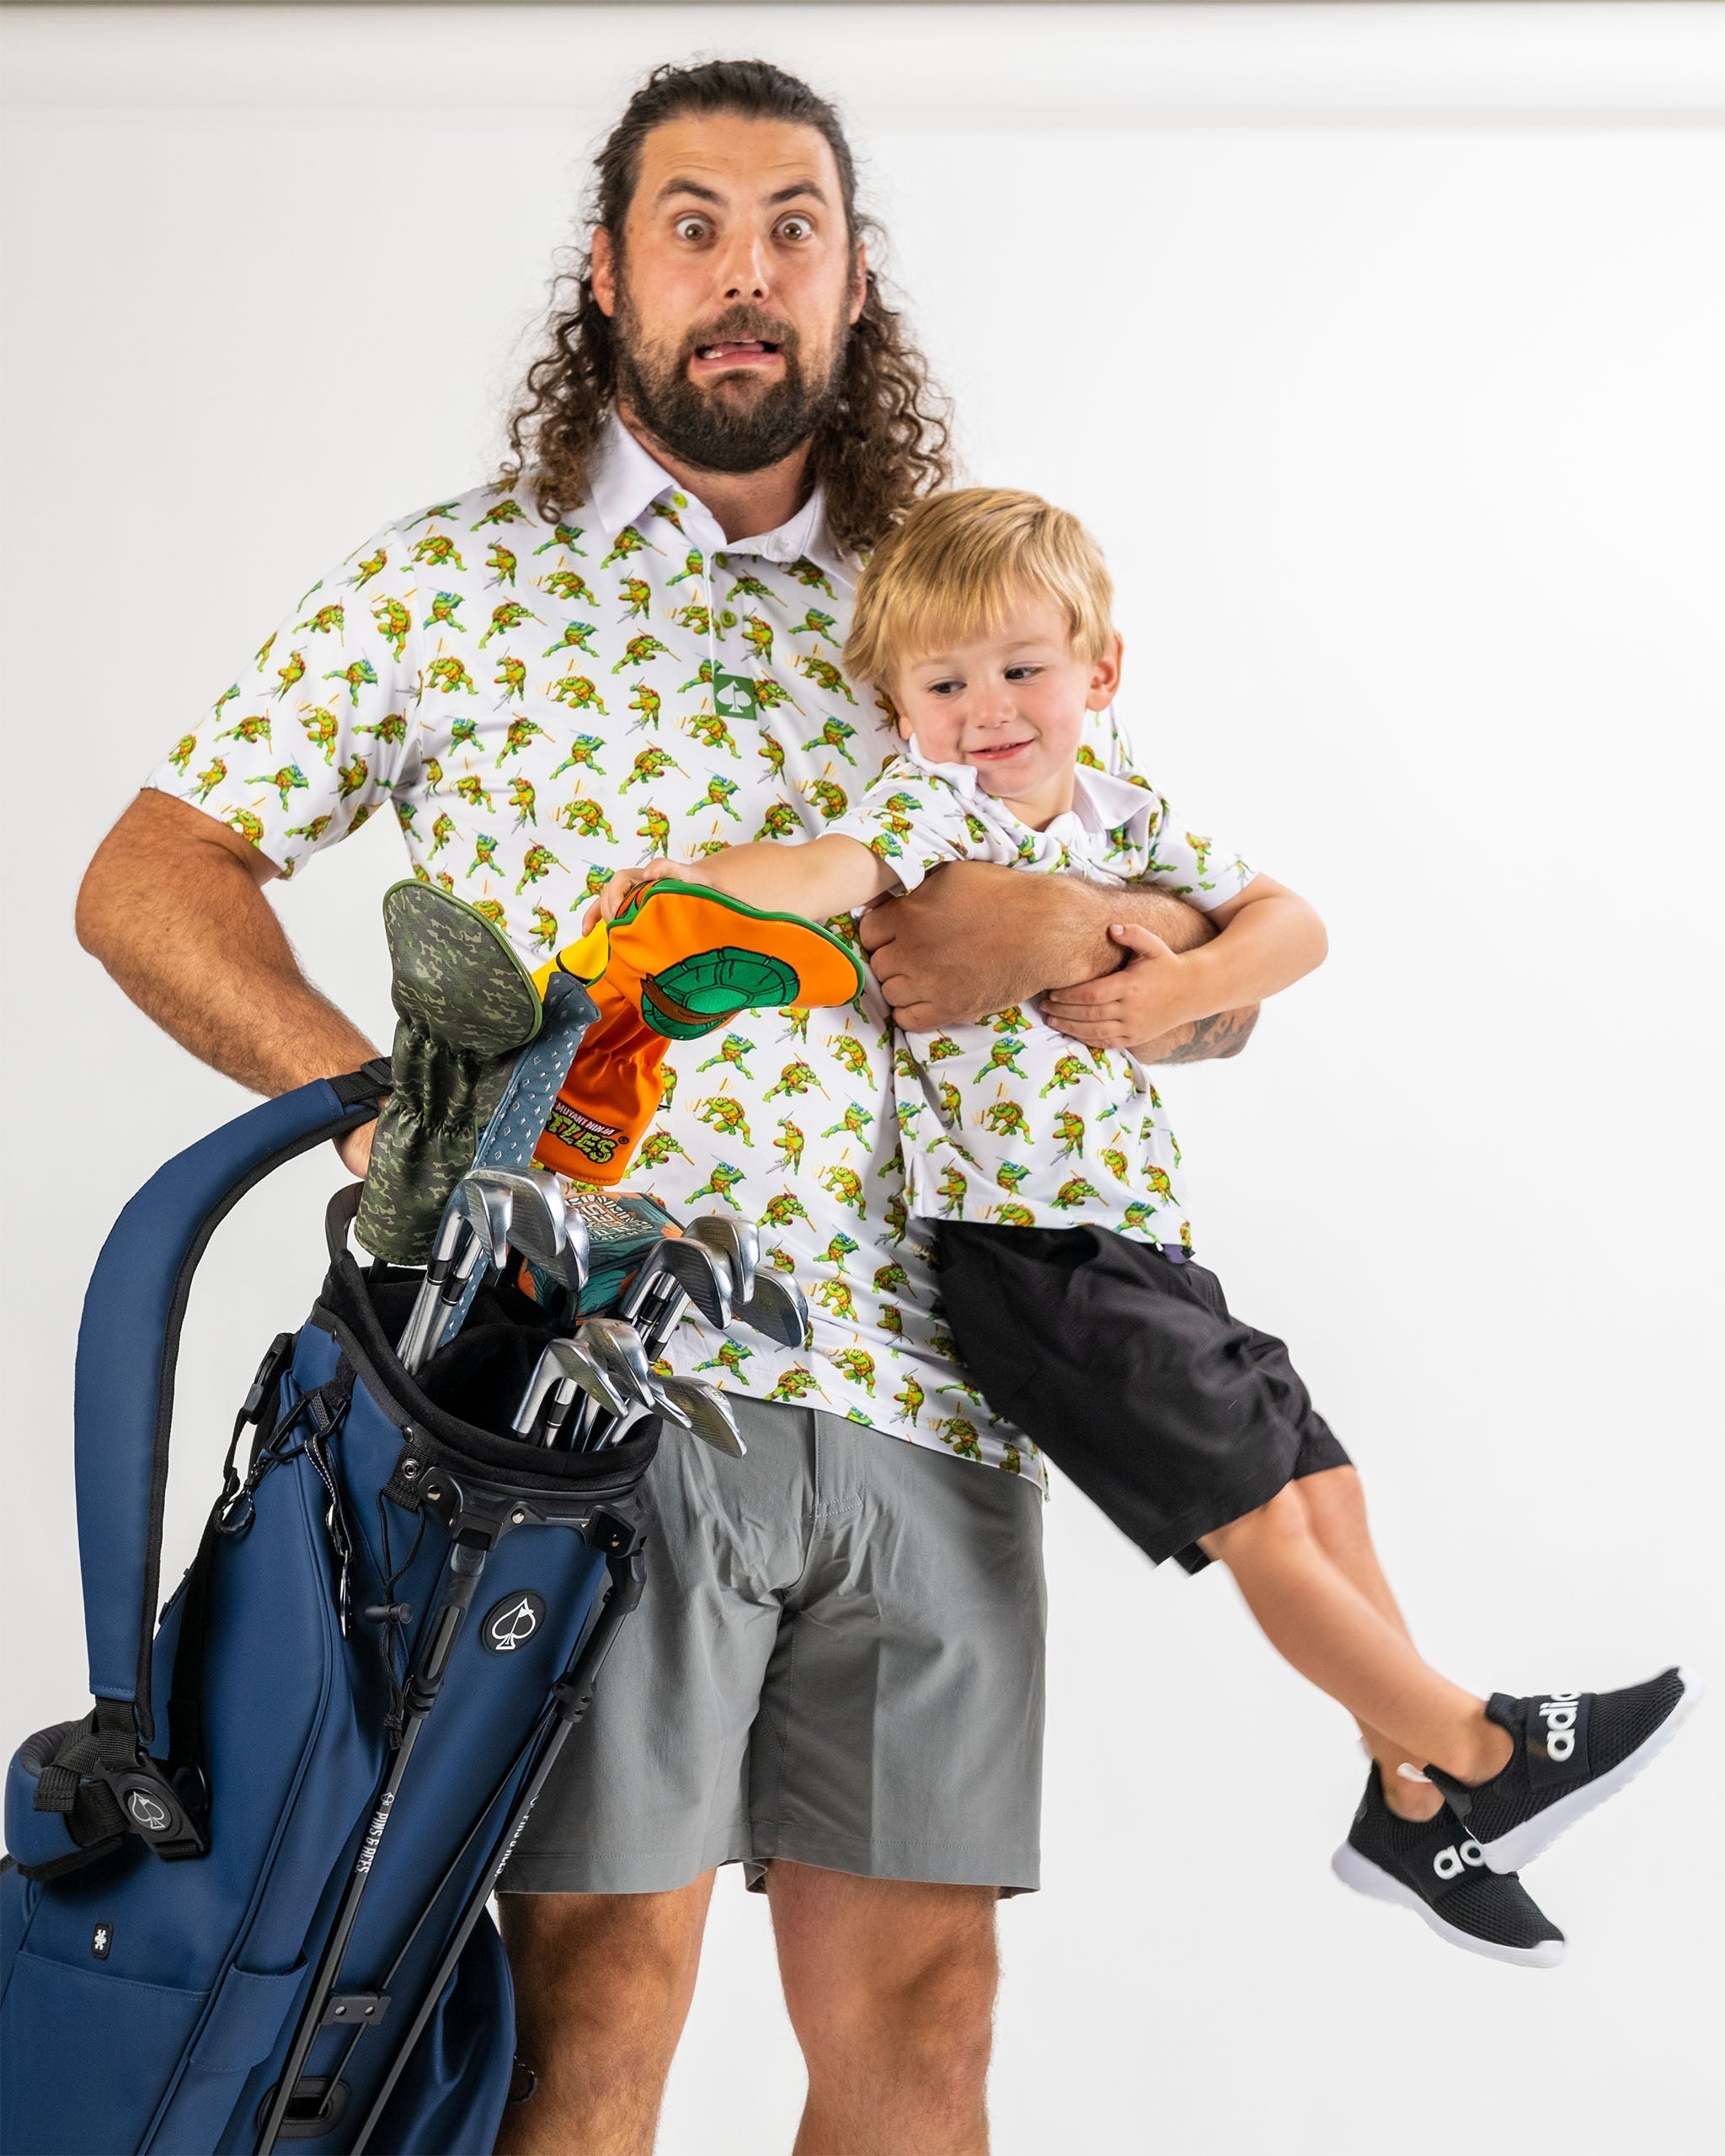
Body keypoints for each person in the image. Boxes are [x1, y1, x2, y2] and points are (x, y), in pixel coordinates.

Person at [73, 61, 1261, 2156]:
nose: (744, 273)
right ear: (608, 271)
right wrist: (376, 1118)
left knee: (926, 2009)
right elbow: (149, 872)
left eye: (792, 226)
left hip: (931, 1376)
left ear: (855, 279)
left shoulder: (944, 607)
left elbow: (1184, 952)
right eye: (693, 224)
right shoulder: (452, 585)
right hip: (577, 1391)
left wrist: (1071, 933)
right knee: (589, 1993)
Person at [595, 485, 1701, 1971]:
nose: (988, 710)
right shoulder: (934, 812)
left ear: (1098, 674)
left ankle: (1410, 1801)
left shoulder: (1123, 808)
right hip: (1030, 1258)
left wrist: (1179, 986)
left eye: (1021, 669)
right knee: (1255, 1520)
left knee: (1319, 1483)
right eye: (945, 683)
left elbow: (1293, 924)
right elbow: (821, 875)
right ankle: (1486, 1751)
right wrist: (693, 885)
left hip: (1142, 1239)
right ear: (899, 704)